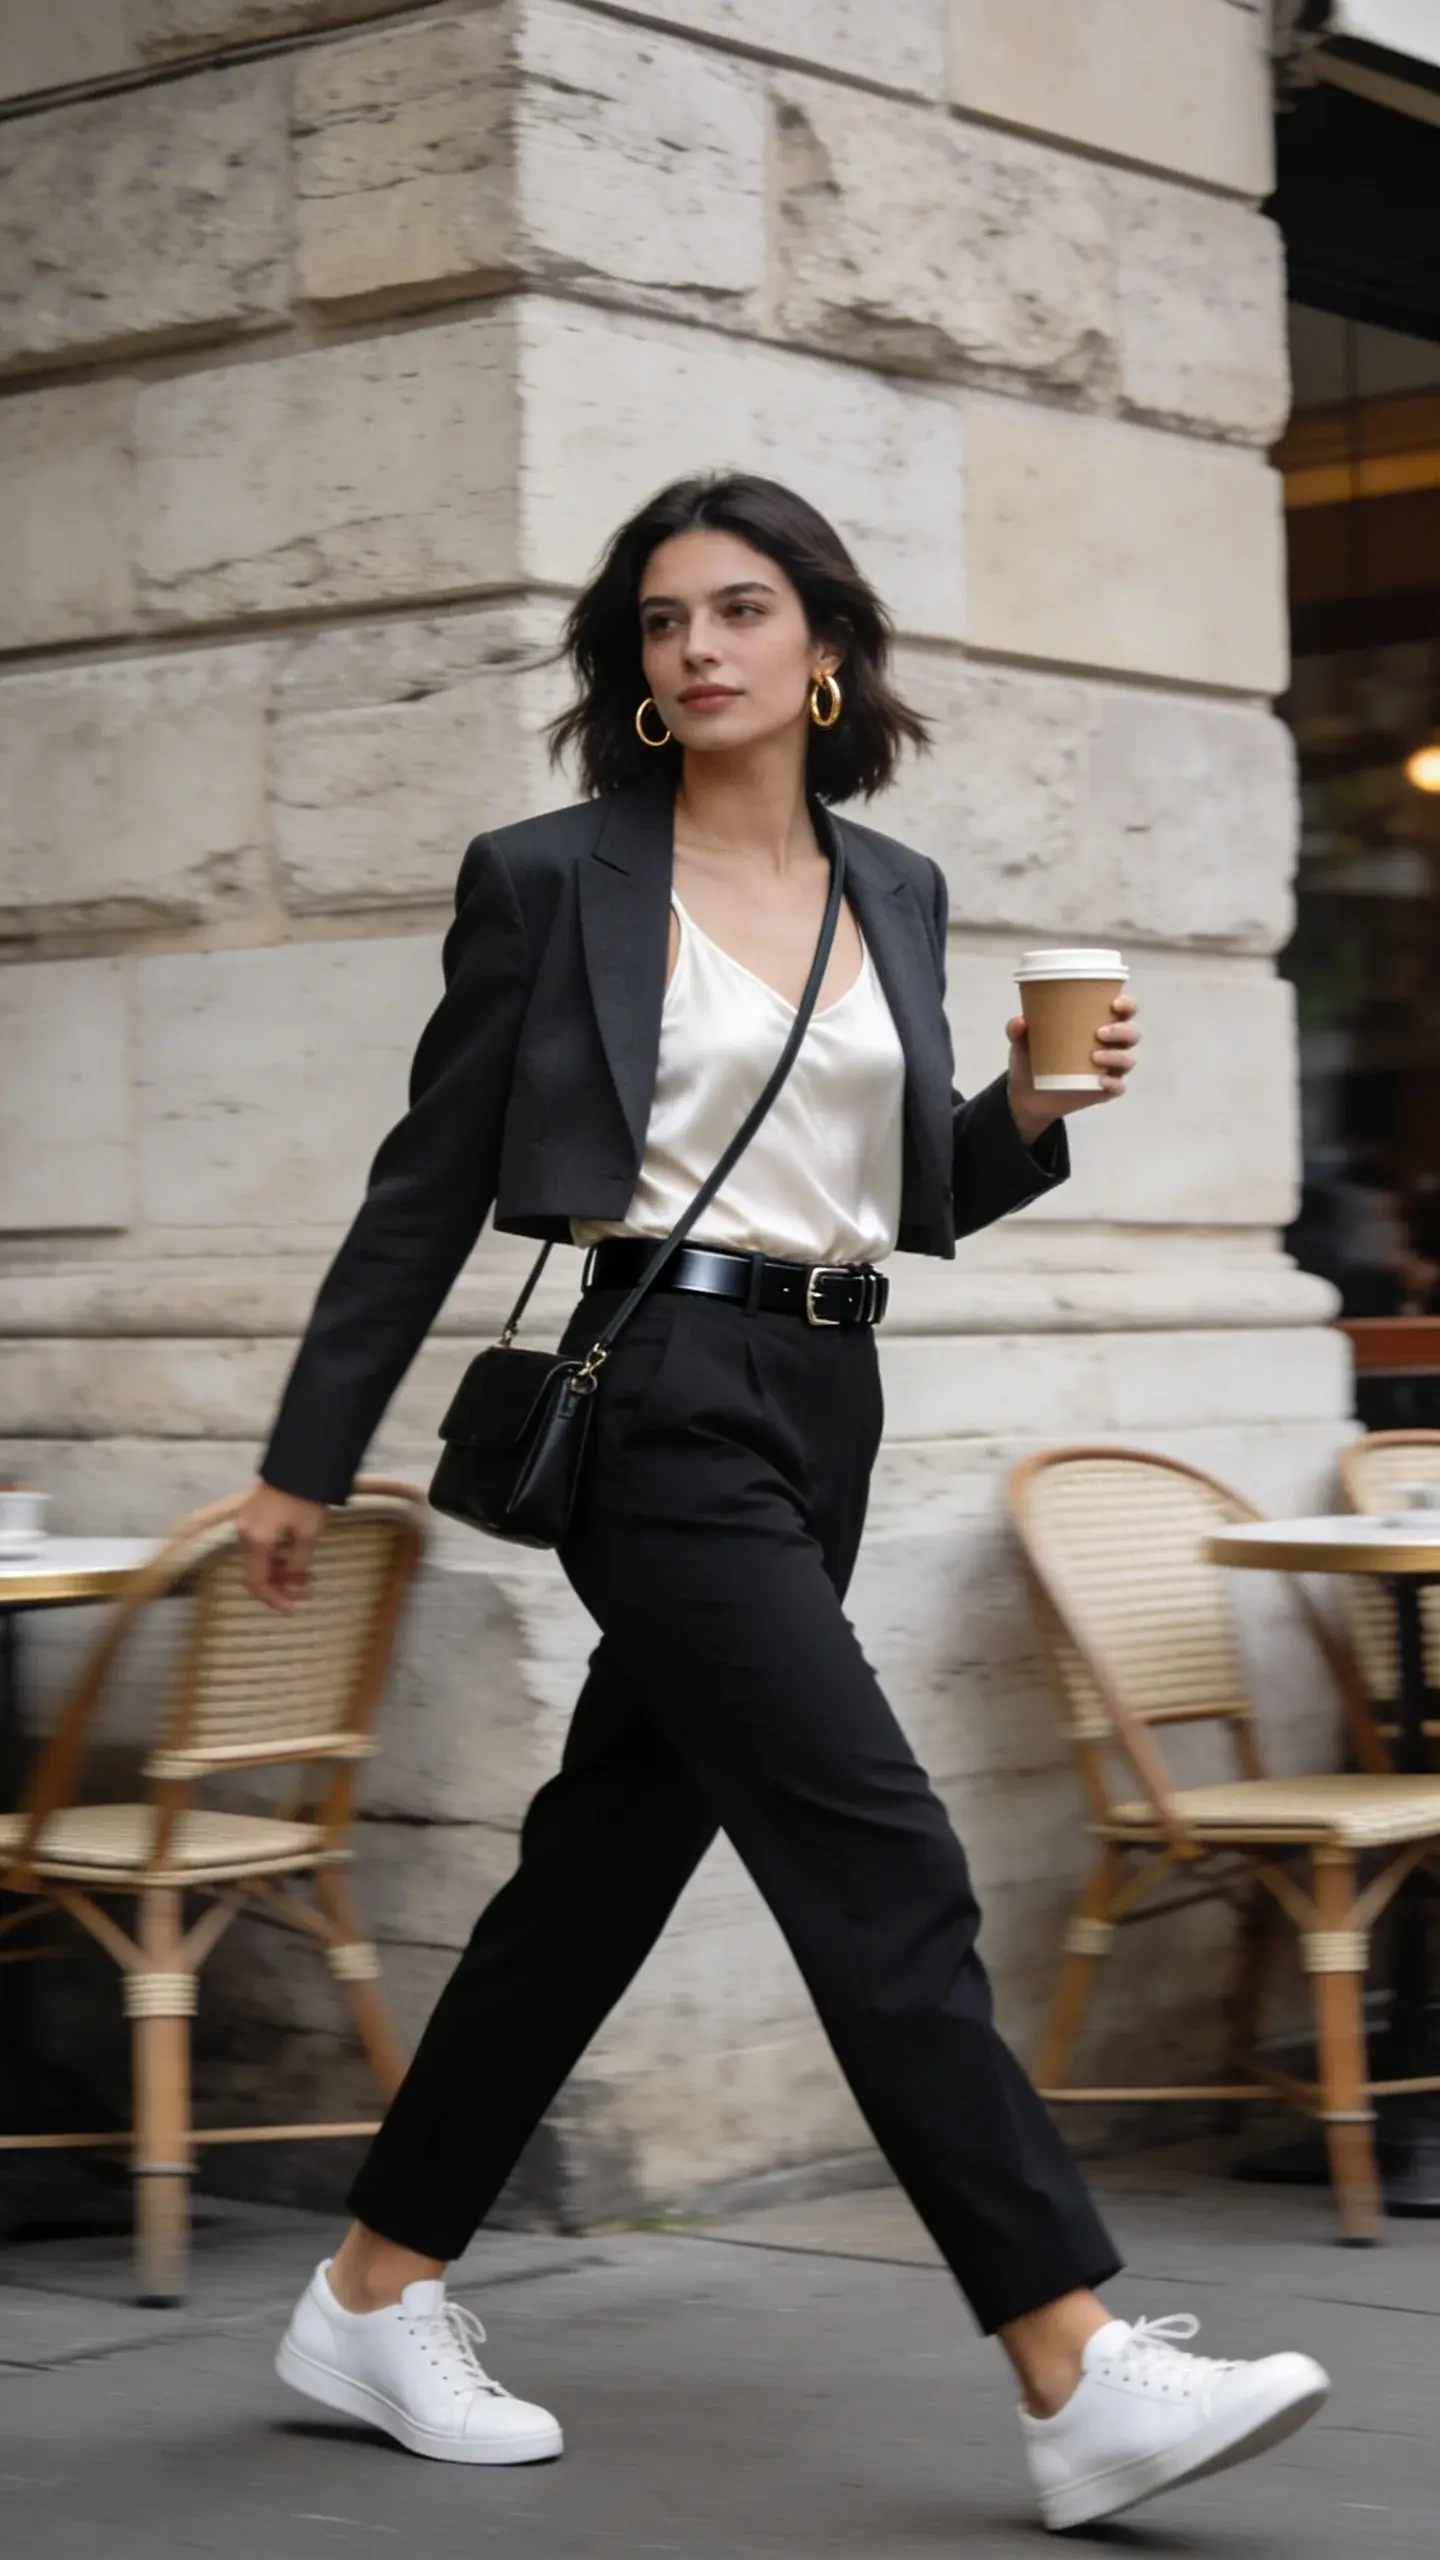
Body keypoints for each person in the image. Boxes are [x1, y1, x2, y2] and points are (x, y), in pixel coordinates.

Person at [238, 474, 1328, 2531]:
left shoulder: (890, 886)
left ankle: (373, 2288)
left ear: (825, 646)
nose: (700, 648)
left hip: (825, 1385)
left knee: (598, 1870)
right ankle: (1073, 2353)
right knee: (876, 1845)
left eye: (743, 609)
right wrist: (308, 1451)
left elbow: (908, 1193)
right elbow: (425, 1186)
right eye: (663, 621)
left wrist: (1023, 1112)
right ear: (636, 668)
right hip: (655, 1394)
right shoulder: (551, 878)